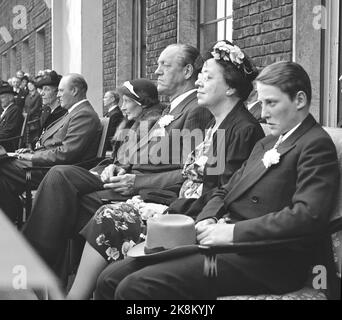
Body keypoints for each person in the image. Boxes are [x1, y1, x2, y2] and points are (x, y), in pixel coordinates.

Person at [92, 61, 340, 300]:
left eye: (271, 103)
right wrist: (208, 218)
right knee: (111, 277)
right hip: (225, 243)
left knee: (137, 287)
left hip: (267, 259)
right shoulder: (267, 142)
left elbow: (308, 216)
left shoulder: (315, 144)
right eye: (262, 103)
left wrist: (232, 233)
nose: (263, 114)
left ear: (299, 100)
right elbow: (224, 190)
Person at [67, 40, 265, 300]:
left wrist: (165, 209)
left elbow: (222, 194)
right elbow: (193, 179)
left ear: (229, 87)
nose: (198, 83)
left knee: (109, 220)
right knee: (108, 217)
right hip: (181, 207)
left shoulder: (241, 129)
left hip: (194, 221)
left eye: (207, 77)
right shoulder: (217, 126)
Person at [23, 44, 213, 276]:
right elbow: (141, 153)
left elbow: (192, 173)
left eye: (165, 65)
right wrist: (116, 165)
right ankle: (45, 273)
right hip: (123, 179)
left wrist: (136, 182)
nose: (157, 71)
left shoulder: (196, 110)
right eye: (158, 65)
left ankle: (35, 266)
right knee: (61, 180)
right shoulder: (169, 109)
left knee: (60, 186)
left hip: (146, 192)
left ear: (187, 71)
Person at [0, 73, 102, 222]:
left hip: (53, 171)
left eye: (61, 91)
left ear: (74, 91)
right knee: (3, 178)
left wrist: (33, 156)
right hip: (46, 166)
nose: (58, 95)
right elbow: (56, 145)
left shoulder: (83, 114)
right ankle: (9, 224)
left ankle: (9, 224)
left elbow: (67, 153)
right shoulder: (74, 113)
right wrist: (32, 152)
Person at [0, 81, 24, 152]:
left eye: (2, 97)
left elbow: (9, 131)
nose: (0, 100)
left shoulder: (15, 110)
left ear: (11, 98)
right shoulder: (7, 110)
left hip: (8, 145)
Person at [24, 79, 42, 148]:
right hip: (27, 118)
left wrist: (28, 114)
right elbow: (25, 106)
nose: (29, 87)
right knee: (27, 138)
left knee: (33, 136)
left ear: (34, 85)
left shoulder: (38, 95)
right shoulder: (28, 95)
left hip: (34, 118)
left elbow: (36, 107)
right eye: (28, 85)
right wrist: (24, 113)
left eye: (31, 85)